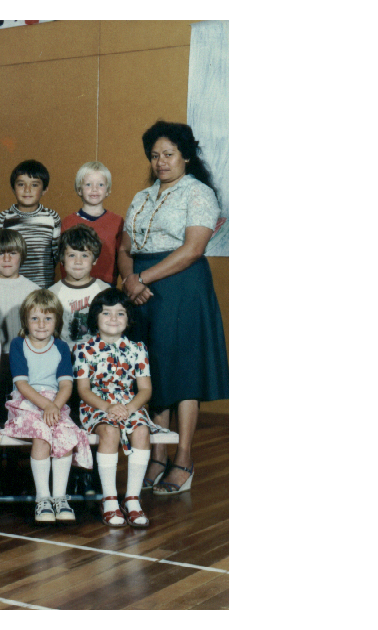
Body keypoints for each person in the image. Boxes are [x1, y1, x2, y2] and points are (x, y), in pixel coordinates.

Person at [116, 121, 228, 495]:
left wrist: (143, 280)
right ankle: (158, 455)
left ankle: (183, 457)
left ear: (186, 156)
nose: (161, 162)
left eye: (169, 154)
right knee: (153, 371)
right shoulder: (141, 197)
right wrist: (131, 278)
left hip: (181, 286)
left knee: (183, 374)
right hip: (143, 287)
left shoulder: (198, 193)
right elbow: (124, 248)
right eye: (155, 155)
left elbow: (193, 248)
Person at [1, 290, 92, 524]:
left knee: (64, 434)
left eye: (48, 318)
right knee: (43, 435)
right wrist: (45, 406)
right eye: (35, 318)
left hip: (55, 402)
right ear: (25, 321)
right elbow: (21, 383)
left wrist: (55, 406)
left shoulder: (61, 347)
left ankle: (59, 497)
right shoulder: (19, 344)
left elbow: (65, 385)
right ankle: (42, 498)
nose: (41, 324)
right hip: (26, 402)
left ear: (57, 321)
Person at [74, 288, 163, 528]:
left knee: (142, 431)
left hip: (129, 405)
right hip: (97, 405)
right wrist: (108, 407)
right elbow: (84, 390)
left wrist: (129, 407)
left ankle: (132, 499)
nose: (113, 319)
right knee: (110, 432)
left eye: (120, 313)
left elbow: (145, 389)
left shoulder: (138, 349)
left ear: (128, 318)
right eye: (106, 313)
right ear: (95, 318)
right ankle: (110, 499)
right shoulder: (83, 350)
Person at [0, 229, 41, 412]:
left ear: (21, 256)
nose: (6, 259)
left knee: (22, 407)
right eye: (0, 253)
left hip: (24, 359)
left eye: (12, 253)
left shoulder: (34, 291)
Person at [0, 159, 60, 288]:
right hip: (11, 288)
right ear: (13, 188)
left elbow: (56, 255)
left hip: (42, 288)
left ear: (44, 190)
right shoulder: (3, 219)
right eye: (21, 184)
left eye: (34, 185)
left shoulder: (52, 218)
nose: (27, 190)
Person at [48, 225, 111, 350]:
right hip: (65, 356)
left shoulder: (104, 290)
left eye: (84, 255)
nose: (78, 261)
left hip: (98, 355)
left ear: (94, 260)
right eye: (72, 255)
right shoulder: (53, 293)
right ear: (62, 259)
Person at [61, 161, 123, 286]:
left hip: (106, 287)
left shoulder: (118, 222)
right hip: (74, 285)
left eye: (100, 184)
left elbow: (123, 258)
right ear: (79, 189)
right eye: (88, 184)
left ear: (108, 190)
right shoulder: (68, 222)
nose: (94, 189)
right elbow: (63, 258)